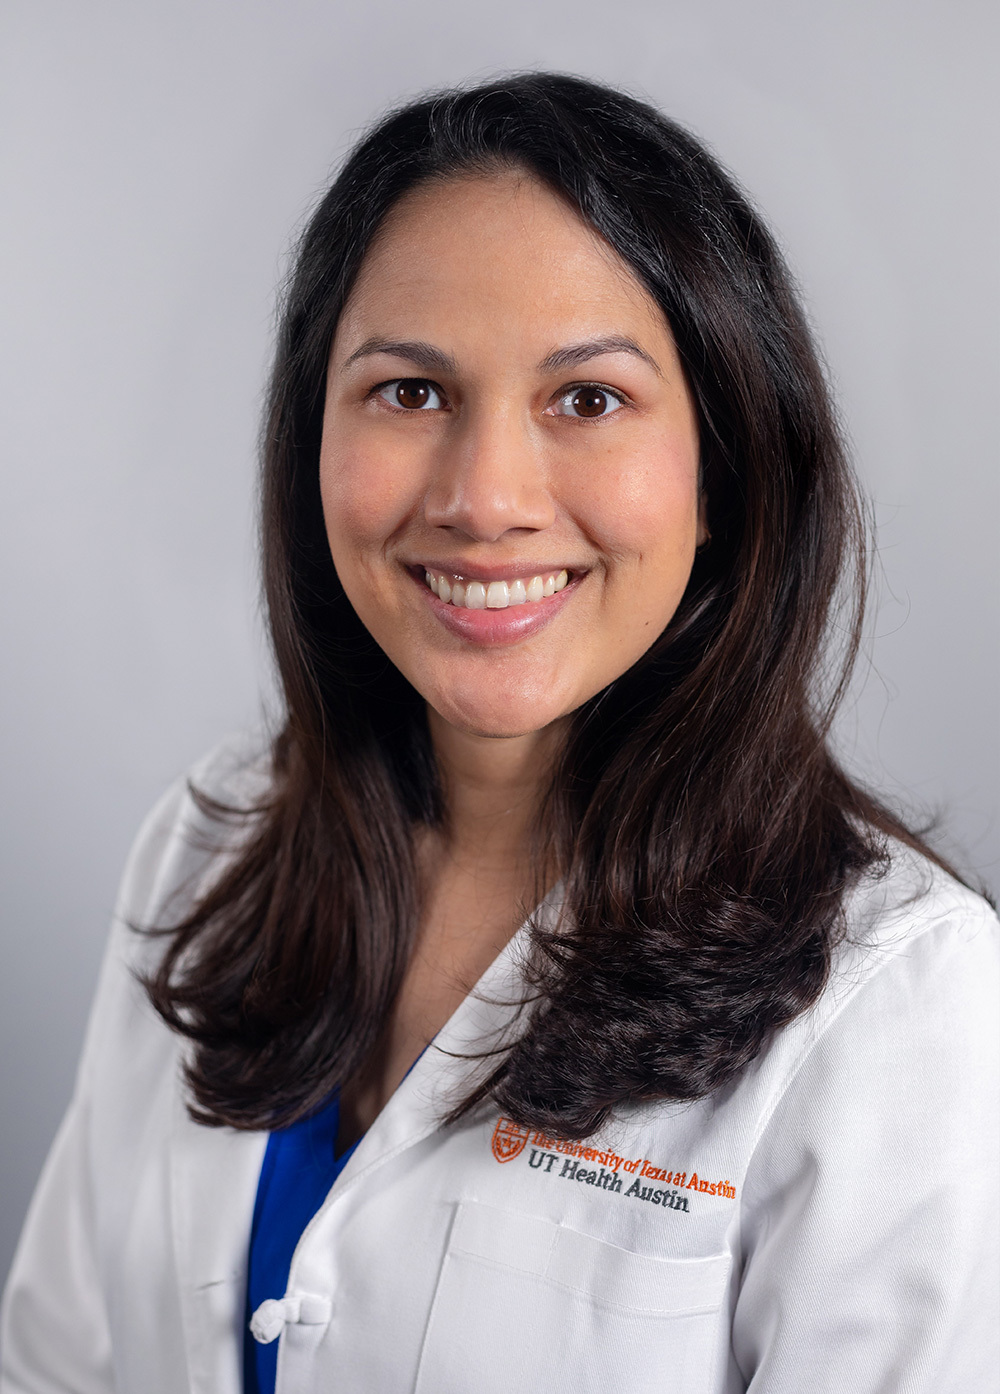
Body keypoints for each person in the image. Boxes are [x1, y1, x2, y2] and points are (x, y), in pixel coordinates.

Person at [2, 72, 997, 1394]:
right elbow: (59, 1360)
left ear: (725, 473)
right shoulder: (208, 844)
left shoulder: (899, 998)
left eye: (587, 400)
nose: (485, 499)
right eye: (410, 392)